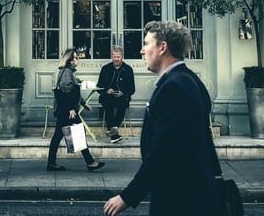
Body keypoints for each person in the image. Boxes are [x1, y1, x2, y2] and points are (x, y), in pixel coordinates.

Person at [103, 21, 222, 216]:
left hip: (181, 199)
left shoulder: (175, 86)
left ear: (162, 47)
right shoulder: (188, 79)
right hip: (191, 193)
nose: (142, 51)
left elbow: (163, 150)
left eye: (147, 43)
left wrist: (128, 196)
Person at [46, 47, 105, 172]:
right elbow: (65, 92)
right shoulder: (67, 72)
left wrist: (83, 103)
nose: (78, 59)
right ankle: (90, 162)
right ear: (70, 60)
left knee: (58, 136)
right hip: (67, 110)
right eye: (76, 57)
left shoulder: (66, 71)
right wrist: (72, 109)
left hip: (64, 110)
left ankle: (51, 163)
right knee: (78, 133)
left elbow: (72, 92)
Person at [97, 46, 135, 143]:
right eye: (114, 57)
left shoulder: (128, 69)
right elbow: (99, 86)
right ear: (111, 56)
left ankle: (113, 132)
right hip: (108, 96)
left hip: (122, 97)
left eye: (118, 57)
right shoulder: (105, 69)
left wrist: (123, 92)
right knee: (108, 107)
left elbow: (132, 89)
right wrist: (106, 90)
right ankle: (114, 134)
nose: (116, 59)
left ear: (122, 57)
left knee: (121, 106)